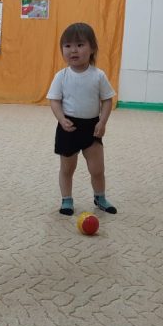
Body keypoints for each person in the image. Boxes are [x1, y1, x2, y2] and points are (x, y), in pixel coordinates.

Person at [47, 23, 116, 216]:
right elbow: (54, 101)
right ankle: (67, 200)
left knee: (97, 169)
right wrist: (61, 119)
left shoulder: (98, 75)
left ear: (92, 48)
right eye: (67, 46)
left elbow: (107, 99)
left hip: (92, 127)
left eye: (79, 45)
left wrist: (102, 122)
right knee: (67, 168)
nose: (73, 50)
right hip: (68, 127)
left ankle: (100, 197)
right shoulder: (61, 76)